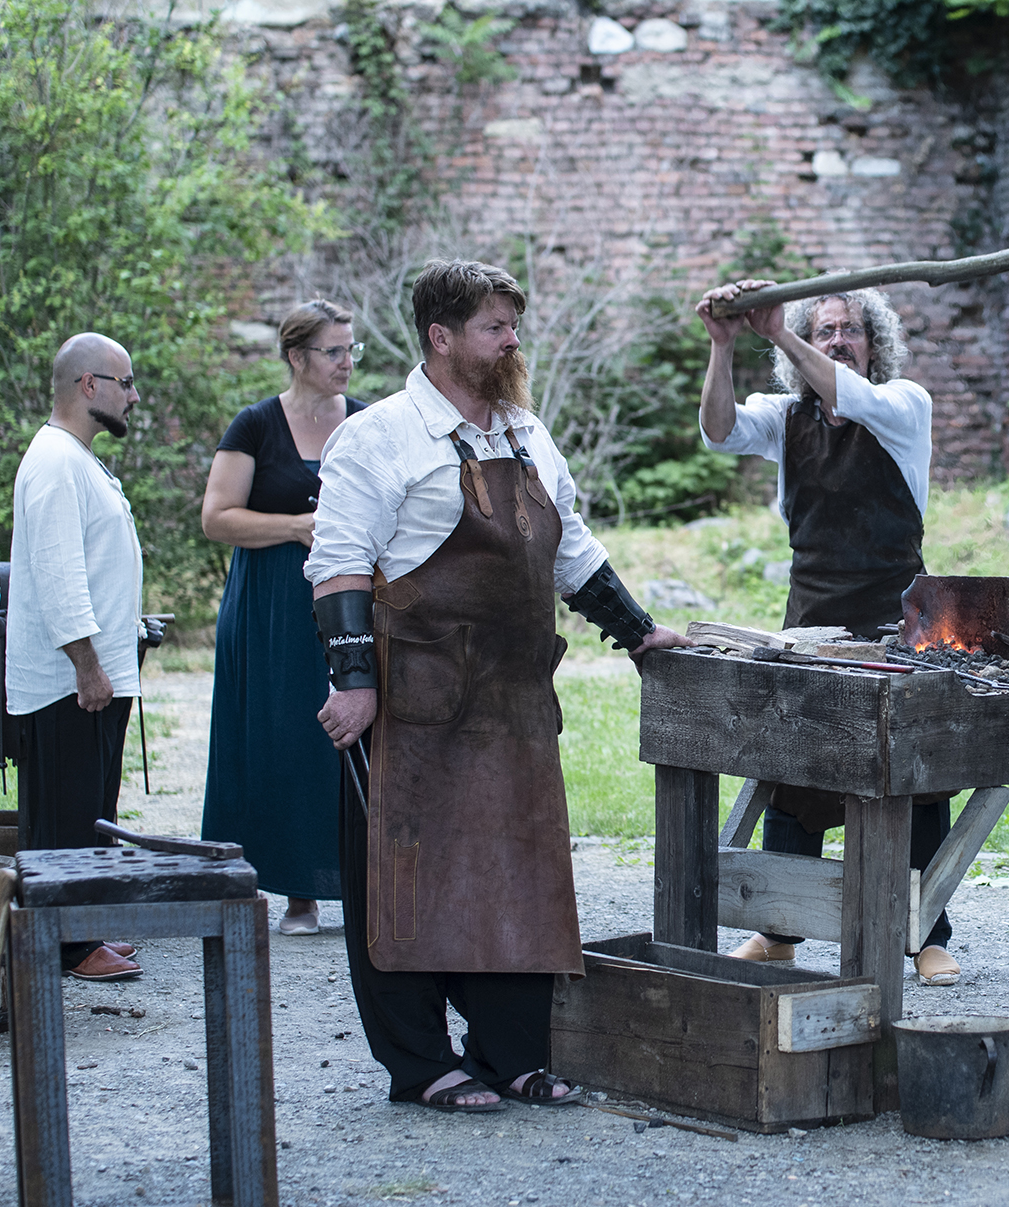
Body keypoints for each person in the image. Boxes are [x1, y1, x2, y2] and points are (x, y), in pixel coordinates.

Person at [306, 258, 691, 1113]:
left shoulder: (526, 431)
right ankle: (420, 1063)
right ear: (440, 339)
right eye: (493, 326)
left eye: (513, 323)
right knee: (403, 881)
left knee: (519, 874)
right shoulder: (380, 437)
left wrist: (636, 630)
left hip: (515, 702)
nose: (512, 339)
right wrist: (356, 682)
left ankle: (510, 1052)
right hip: (416, 701)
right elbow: (335, 567)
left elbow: (573, 548)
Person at [695, 279, 961, 986]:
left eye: (849, 330)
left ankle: (923, 934)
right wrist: (725, 345)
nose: (836, 340)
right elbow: (718, 432)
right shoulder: (785, 416)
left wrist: (776, 329)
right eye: (823, 332)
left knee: (917, 779)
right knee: (795, 773)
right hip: (812, 621)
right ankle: (779, 932)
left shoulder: (904, 406)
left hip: (899, 618)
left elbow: (851, 399)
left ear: (875, 344)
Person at [200, 301, 368, 936]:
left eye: (351, 350)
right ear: (297, 357)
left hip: (347, 601)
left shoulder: (364, 422)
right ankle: (292, 892)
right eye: (334, 351)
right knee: (279, 737)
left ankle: (349, 881)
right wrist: (295, 526)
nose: (347, 363)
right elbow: (218, 518)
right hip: (269, 606)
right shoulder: (255, 426)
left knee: (344, 734)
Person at [7, 333, 146, 981]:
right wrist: (87, 665)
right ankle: (63, 946)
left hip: (96, 676)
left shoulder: (79, 459)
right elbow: (59, 573)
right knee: (63, 817)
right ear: (88, 386)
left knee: (90, 813)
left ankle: (82, 929)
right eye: (125, 382)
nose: (134, 395)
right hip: (70, 681)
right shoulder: (55, 460)